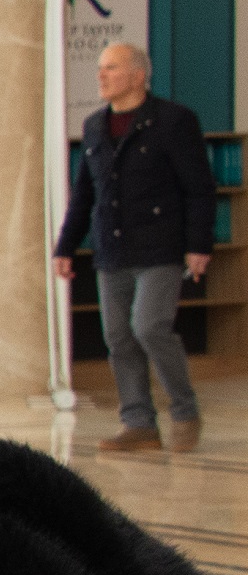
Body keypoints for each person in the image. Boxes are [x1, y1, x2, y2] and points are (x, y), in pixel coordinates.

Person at [54, 41, 216, 453]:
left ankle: (184, 410)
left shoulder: (174, 122)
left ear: (138, 75)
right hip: (112, 250)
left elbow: (199, 188)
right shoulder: (93, 126)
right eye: (100, 68)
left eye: (110, 68)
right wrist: (66, 247)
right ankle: (139, 422)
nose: (101, 76)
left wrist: (199, 244)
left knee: (149, 327)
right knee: (119, 337)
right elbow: (84, 193)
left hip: (161, 248)